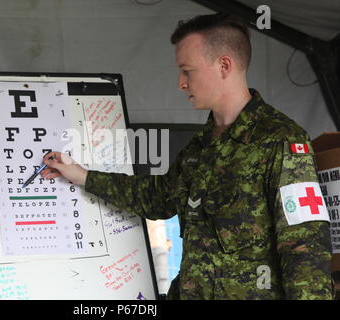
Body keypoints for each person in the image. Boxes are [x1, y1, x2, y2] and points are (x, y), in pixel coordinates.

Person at [39, 13, 334, 299]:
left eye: (187, 70)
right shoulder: (199, 148)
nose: (181, 83)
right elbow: (157, 198)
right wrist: (81, 175)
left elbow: (304, 246)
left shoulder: (280, 140)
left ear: (224, 65)